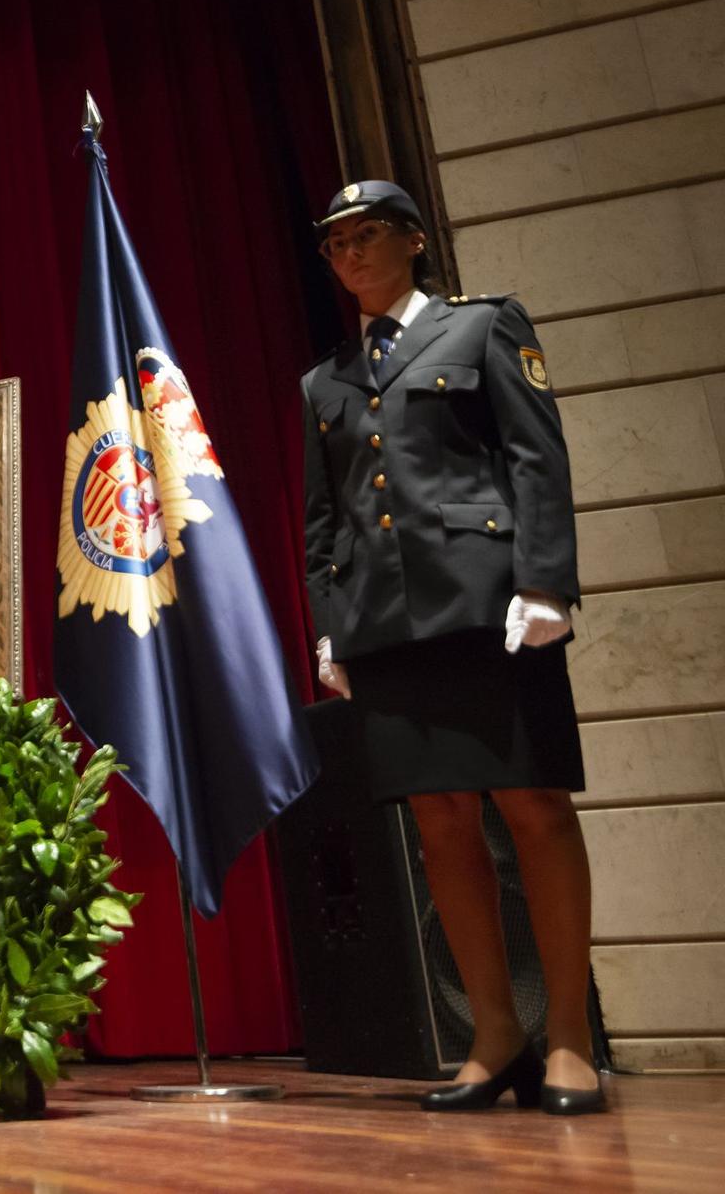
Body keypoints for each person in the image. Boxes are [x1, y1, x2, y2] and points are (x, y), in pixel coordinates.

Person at [300, 181, 605, 1115]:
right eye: (335, 245)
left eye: (367, 237)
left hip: (489, 608)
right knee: (438, 824)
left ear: (414, 242)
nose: (350, 256)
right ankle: (495, 1033)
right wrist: (330, 621)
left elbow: (534, 457)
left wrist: (545, 581)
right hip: (386, 625)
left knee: (534, 807)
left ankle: (568, 1036)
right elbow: (326, 515)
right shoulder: (326, 382)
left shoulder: (482, 328)